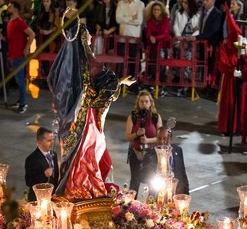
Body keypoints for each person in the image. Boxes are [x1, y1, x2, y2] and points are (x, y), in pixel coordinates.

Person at [47, 24, 135, 199]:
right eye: (87, 37)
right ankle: (83, 187)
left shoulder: (66, 65)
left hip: (71, 118)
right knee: (87, 152)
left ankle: (76, 185)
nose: (90, 40)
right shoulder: (88, 61)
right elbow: (105, 81)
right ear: (82, 40)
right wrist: (119, 82)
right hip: (86, 117)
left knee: (79, 154)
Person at [125, 91, 163, 195]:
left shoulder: (156, 117)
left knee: (151, 182)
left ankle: (150, 204)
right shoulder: (132, 117)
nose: (144, 104)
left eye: (146, 101)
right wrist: (137, 134)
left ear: (150, 103)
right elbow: (128, 136)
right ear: (138, 103)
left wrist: (148, 141)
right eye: (141, 102)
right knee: (134, 182)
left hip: (151, 154)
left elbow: (161, 138)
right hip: (135, 152)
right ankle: (131, 204)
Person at [6, 1, 36, 113]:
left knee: (20, 80)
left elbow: (32, 34)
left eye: (10, 6)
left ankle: (23, 103)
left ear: (16, 9)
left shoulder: (19, 22)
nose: (8, 8)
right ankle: (20, 100)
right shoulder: (10, 22)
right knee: (18, 79)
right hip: (12, 54)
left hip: (18, 55)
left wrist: (26, 48)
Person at [25, 127, 60, 200]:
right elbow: (28, 181)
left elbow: (55, 176)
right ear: (39, 142)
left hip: (52, 196)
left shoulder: (54, 155)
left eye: (53, 139)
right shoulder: (31, 159)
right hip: (38, 198)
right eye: (49, 140)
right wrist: (44, 175)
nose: (52, 143)